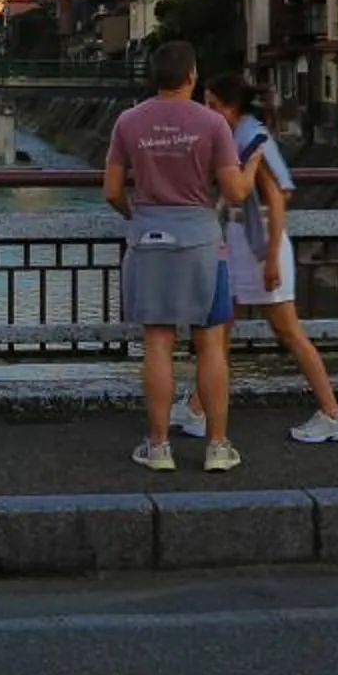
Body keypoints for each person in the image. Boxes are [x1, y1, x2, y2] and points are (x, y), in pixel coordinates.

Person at [176, 74, 338, 444]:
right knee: (221, 326)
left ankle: (333, 414)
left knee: (287, 330)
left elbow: (276, 199)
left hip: (260, 244)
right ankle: (197, 405)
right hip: (241, 239)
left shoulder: (254, 137)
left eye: (213, 105)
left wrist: (271, 257)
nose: (209, 112)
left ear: (231, 107)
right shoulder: (237, 135)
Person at [104, 39, 251, 472]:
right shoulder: (212, 124)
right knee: (209, 344)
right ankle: (218, 446)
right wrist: (254, 166)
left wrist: (138, 215)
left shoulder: (128, 121)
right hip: (203, 241)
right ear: (191, 76)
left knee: (157, 342)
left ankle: (159, 447)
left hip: (148, 238)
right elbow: (235, 191)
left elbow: (112, 190)